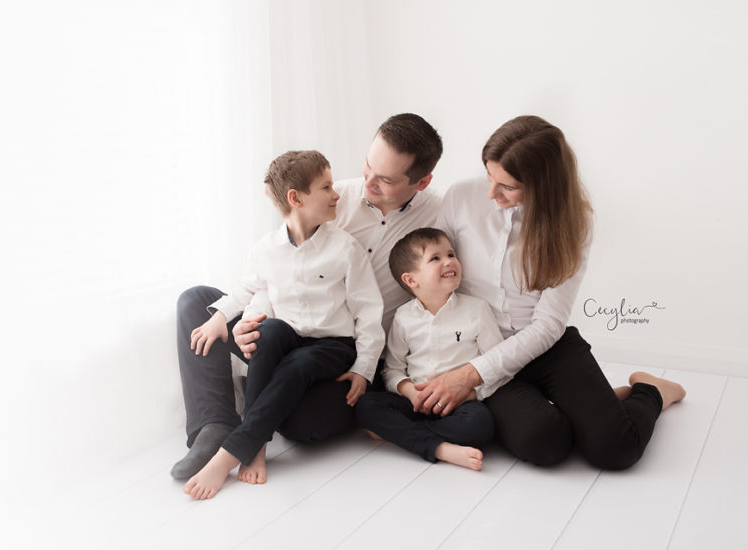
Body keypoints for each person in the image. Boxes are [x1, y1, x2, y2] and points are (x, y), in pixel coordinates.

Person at [172, 114, 443, 480]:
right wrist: (250, 319)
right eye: (367, 166)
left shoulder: (439, 216)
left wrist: (367, 368)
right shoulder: (329, 197)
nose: (367, 182)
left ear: (422, 181)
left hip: (345, 348)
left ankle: (259, 404)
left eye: (386, 179)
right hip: (283, 328)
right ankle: (215, 424)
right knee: (195, 302)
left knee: (302, 427)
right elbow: (279, 274)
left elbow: (373, 311)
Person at [415, 115, 685, 470]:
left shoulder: (574, 223)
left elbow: (548, 325)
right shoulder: (460, 198)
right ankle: (583, 409)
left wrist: (470, 376)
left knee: (616, 450)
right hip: (482, 345)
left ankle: (651, 390)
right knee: (544, 443)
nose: (490, 193)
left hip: (545, 345)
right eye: (489, 176)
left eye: (506, 186)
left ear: (543, 186)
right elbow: (434, 277)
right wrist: (455, 362)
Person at [182, 150, 384, 500]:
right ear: (296, 198)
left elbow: (368, 312)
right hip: (288, 336)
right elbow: (247, 288)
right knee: (267, 331)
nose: (336, 195)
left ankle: (234, 451)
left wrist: (364, 370)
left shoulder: (345, 248)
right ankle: (255, 444)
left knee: (300, 362)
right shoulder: (266, 249)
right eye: (326, 187)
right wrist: (218, 318)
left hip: (332, 345)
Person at [355, 228, 501, 470]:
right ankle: (441, 448)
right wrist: (410, 391)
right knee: (366, 406)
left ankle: (402, 435)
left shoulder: (477, 310)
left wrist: (471, 393)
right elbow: (392, 370)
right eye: (436, 258)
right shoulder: (403, 317)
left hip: (460, 403)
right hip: (415, 401)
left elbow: (496, 365)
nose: (449, 261)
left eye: (451, 254)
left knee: (479, 425)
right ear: (411, 280)